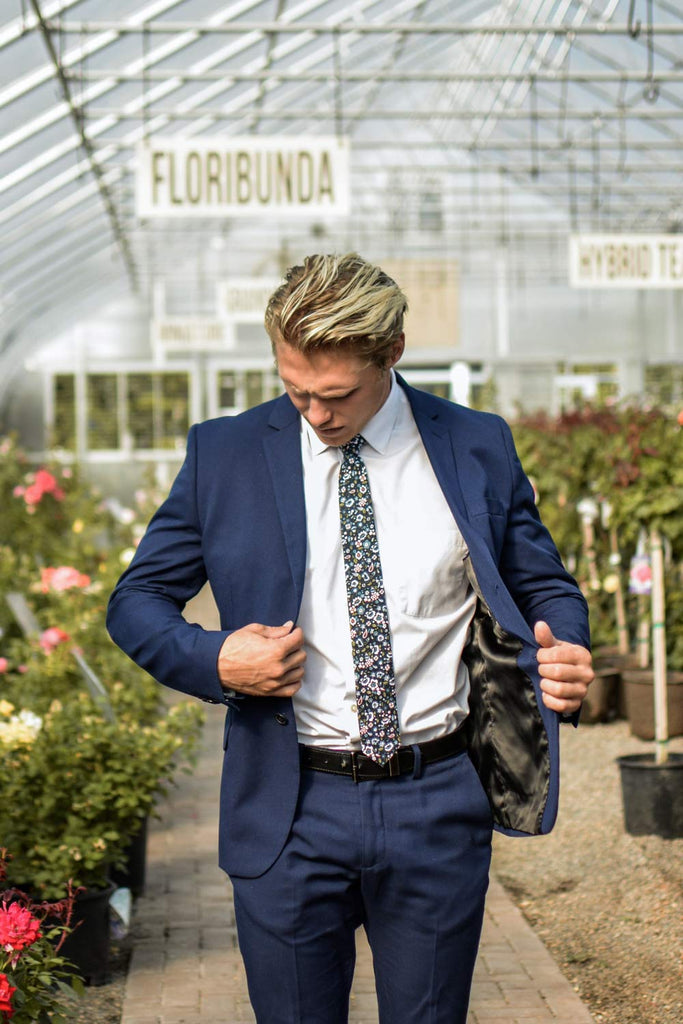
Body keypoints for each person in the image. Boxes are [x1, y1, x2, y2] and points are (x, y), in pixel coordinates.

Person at [107, 253, 594, 1024]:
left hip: (438, 802)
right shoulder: (223, 454)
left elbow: (543, 586)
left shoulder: (475, 444)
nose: (314, 414)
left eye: (336, 395)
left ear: (392, 352)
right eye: (294, 389)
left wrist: (563, 646)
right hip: (288, 806)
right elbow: (135, 602)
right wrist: (216, 657)